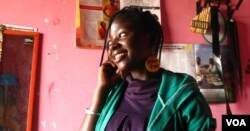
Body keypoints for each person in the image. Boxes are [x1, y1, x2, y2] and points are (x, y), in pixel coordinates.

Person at [80, 7, 216, 131]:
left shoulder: (185, 97)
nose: (113, 46)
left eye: (122, 35)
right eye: (110, 42)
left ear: (151, 40)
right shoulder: (114, 92)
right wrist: (101, 90)